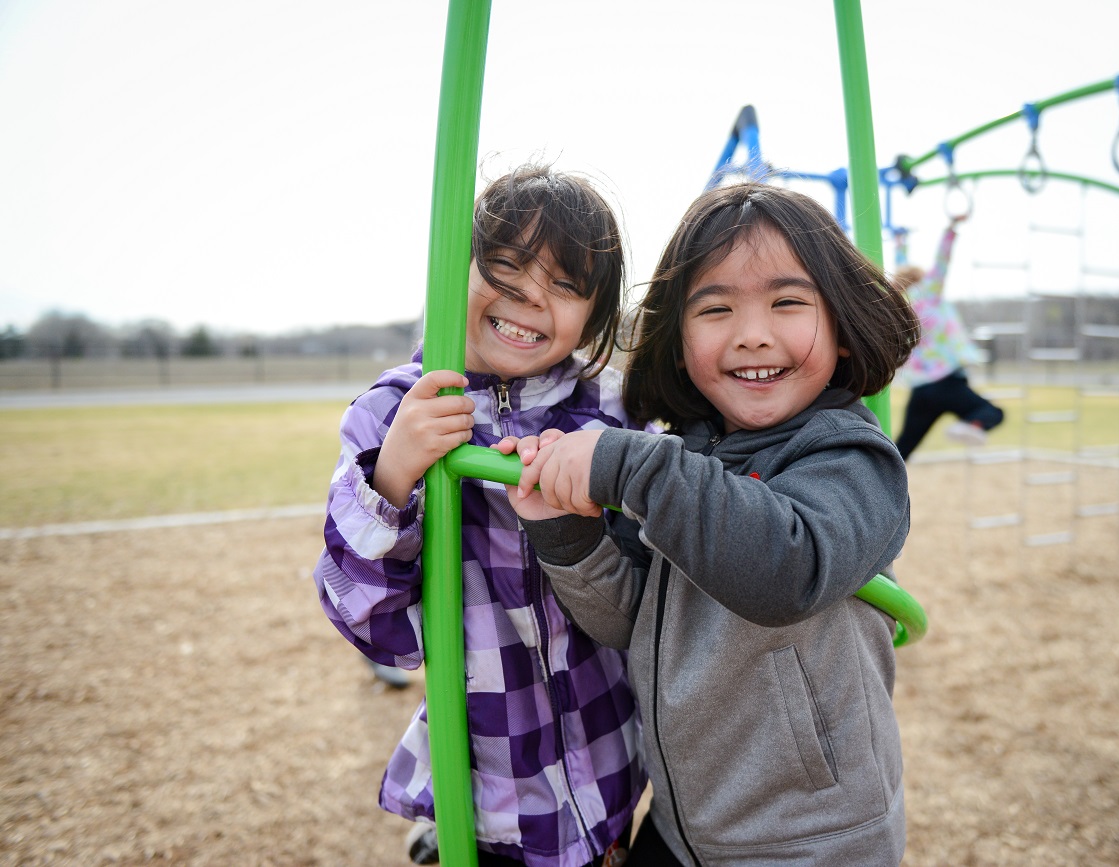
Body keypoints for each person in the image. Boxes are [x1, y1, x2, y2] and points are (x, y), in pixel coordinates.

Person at [495, 182, 919, 866]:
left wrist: (636, 465)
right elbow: (633, 616)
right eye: (717, 308)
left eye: (787, 302)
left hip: (810, 843)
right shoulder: (689, 456)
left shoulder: (850, 458)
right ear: (680, 338)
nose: (752, 332)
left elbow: (788, 568)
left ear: (840, 327)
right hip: (680, 825)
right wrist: (567, 534)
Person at [312, 164, 646, 867]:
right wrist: (395, 476)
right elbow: (380, 631)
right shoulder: (397, 412)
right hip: (491, 796)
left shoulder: (611, 408)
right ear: (453, 269)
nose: (529, 299)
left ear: (595, 312)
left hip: (609, 761)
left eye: (565, 285)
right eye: (505, 268)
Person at [891, 217, 1004, 460]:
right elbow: (942, 262)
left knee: (903, 448)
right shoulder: (930, 293)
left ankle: (876, 481)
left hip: (921, 388)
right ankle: (970, 425)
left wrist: (900, 244)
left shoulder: (902, 306)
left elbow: (901, 272)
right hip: (947, 381)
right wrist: (950, 231)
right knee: (991, 412)